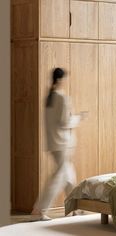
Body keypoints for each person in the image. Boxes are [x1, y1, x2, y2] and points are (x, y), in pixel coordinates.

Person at [30, 68, 87, 221]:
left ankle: (75, 207)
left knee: (69, 175)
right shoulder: (62, 98)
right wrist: (79, 117)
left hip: (54, 144)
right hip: (63, 144)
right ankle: (40, 209)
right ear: (61, 80)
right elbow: (64, 122)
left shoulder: (48, 98)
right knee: (58, 177)